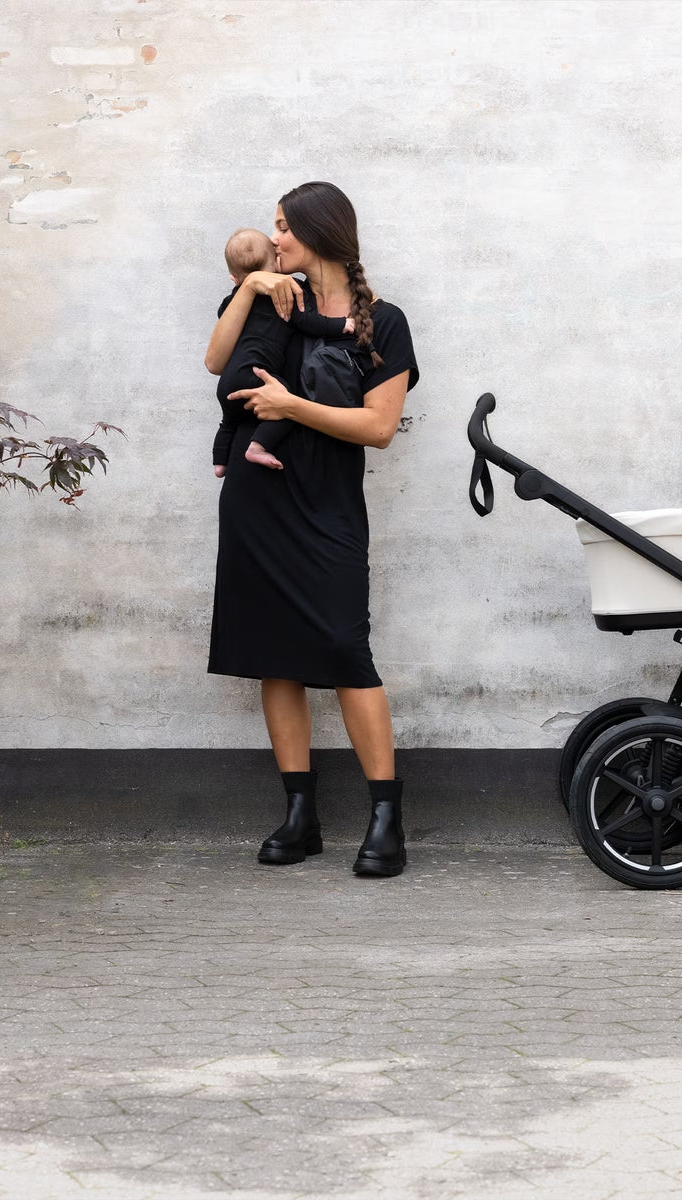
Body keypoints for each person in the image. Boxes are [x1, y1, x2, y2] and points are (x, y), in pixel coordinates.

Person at [204, 182, 419, 878]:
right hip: (256, 497)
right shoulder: (272, 299)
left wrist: (291, 407)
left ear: (320, 231)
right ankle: (300, 816)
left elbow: (379, 428)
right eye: (273, 228)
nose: (276, 240)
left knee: (345, 649)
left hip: (327, 503)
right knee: (276, 654)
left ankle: (386, 817)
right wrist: (249, 286)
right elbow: (217, 362)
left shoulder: (385, 323)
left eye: (284, 227)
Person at [212, 227, 354, 476]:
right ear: (276, 264)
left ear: (234, 278)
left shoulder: (231, 301)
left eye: (284, 228)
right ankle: (257, 446)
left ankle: (219, 463)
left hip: (228, 380)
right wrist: (341, 324)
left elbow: (224, 320)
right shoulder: (289, 289)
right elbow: (308, 322)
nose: (276, 237)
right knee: (285, 402)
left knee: (229, 420)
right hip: (257, 374)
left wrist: (243, 291)